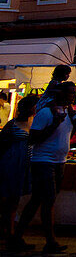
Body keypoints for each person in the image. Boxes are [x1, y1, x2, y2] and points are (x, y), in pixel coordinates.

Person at [13, 80, 76, 253]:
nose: (73, 96)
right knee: (48, 201)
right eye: (71, 93)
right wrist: (54, 124)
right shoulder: (46, 113)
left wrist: (72, 123)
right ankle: (50, 241)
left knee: (38, 200)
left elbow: (67, 136)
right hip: (43, 161)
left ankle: (17, 236)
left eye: (74, 93)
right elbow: (34, 138)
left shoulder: (68, 112)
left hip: (59, 161)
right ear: (61, 94)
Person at [1, 95, 37, 246]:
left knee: (14, 199)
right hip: (12, 163)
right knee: (10, 199)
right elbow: (2, 144)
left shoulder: (35, 123)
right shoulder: (13, 124)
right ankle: (9, 231)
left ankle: (10, 231)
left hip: (25, 164)